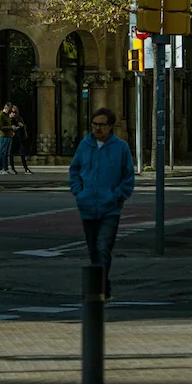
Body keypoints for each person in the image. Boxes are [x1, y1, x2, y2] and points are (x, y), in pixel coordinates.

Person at [67, 107, 135, 298]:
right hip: (87, 207)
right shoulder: (84, 145)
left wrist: (116, 196)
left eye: (101, 125)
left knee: (103, 247)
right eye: (94, 124)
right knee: (93, 250)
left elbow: (128, 176)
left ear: (110, 126)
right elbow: (74, 171)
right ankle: (102, 284)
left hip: (110, 209)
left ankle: (97, 288)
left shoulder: (120, 147)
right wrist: (79, 193)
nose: (97, 128)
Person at [10, 105, 33, 174]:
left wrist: (22, 126)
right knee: (11, 154)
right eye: (12, 112)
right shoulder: (9, 119)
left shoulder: (19, 119)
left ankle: (26, 168)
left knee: (22, 153)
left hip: (19, 138)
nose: (14, 113)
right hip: (12, 138)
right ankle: (12, 168)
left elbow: (23, 128)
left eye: (15, 112)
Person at [0, 104, 14, 174]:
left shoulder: (6, 116)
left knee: (7, 153)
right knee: (2, 153)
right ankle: (1, 169)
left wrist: (11, 130)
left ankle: (6, 168)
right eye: (10, 110)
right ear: (6, 108)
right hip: (3, 136)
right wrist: (11, 127)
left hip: (8, 136)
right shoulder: (0, 116)